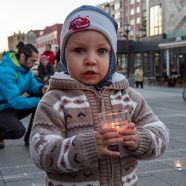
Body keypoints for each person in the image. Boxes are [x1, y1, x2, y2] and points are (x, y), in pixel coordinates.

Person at [30, 5, 169, 186]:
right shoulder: (54, 101)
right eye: (79, 50)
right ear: (64, 55)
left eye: (101, 51)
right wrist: (87, 147)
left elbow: (160, 133)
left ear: (112, 57)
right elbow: (40, 152)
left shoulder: (129, 97)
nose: (91, 60)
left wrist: (140, 139)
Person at [0, 43, 48, 149]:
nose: (34, 64)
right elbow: (15, 101)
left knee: (41, 95)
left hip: (9, 107)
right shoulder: (5, 72)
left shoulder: (25, 69)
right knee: (18, 131)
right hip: (2, 109)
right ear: (22, 56)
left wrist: (42, 88)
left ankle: (31, 138)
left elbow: (32, 86)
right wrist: (40, 101)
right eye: (33, 61)